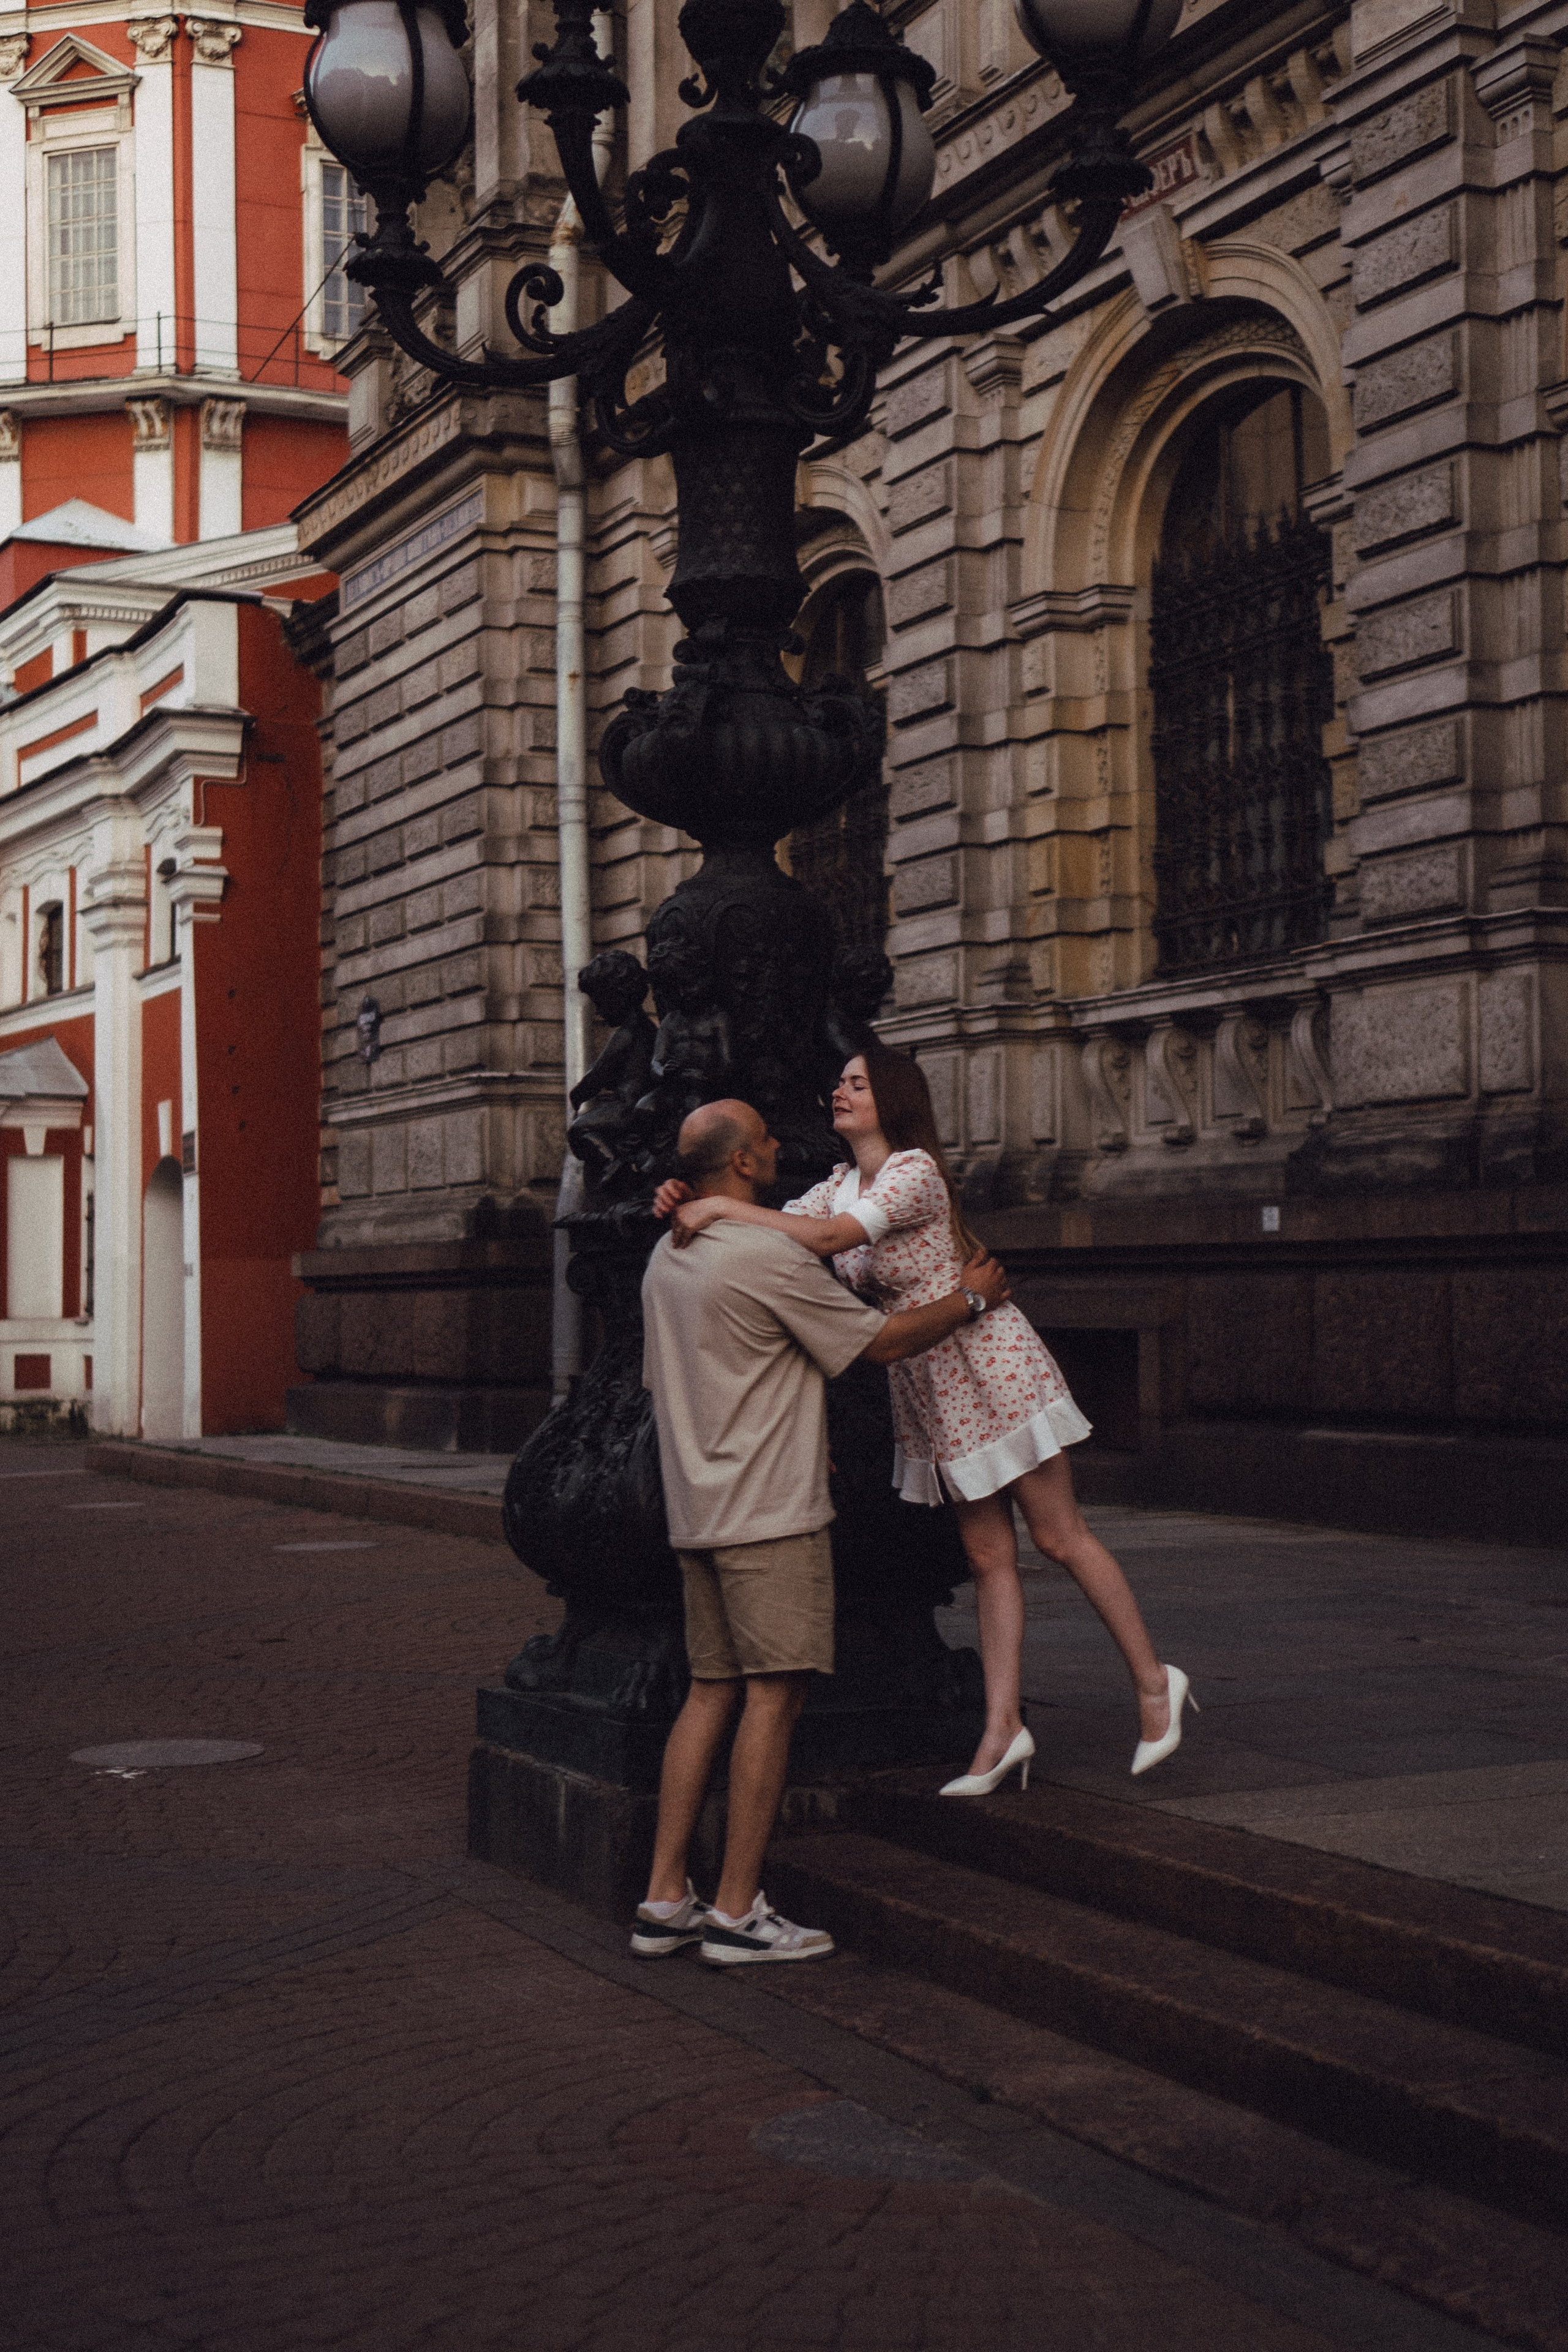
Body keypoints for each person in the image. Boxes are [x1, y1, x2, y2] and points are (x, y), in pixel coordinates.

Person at [657, 1048, 1194, 1795]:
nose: (839, 1091)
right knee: (985, 1561)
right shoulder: (839, 1184)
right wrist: (683, 1195)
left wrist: (713, 1205)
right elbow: (773, 1229)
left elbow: (827, 1242)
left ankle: (1152, 1681)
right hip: (928, 1383)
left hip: (987, 1363)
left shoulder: (912, 1173)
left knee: (1057, 1536)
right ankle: (1002, 1729)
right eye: (838, 1081)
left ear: (893, 1099)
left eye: (857, 1083)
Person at [635, 1096, 1011, 1966]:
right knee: (774, 1697)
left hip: (698, 1509)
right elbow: (880, 1343)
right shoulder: (765, 1256)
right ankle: (735, 1915)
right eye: (764, 1140)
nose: (777, 1147)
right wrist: (970, 1299)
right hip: (771, 1514)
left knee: (709, 1692)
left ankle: (663, 1898)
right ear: (740, 1166)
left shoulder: (669, 1252)